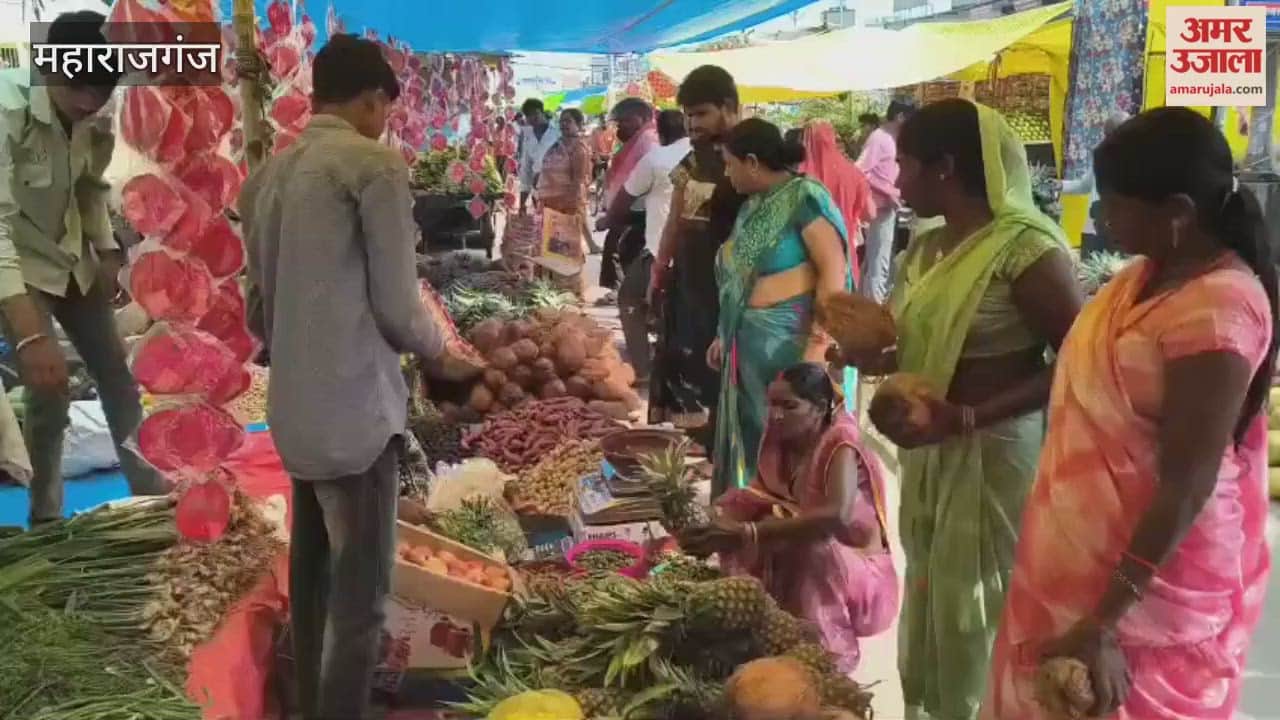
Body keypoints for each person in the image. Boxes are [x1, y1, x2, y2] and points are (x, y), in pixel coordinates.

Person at [984, 108, 1277, 720]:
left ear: (1177, 213)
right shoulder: (1143, 277)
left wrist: (1104, 619)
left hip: (1144, 595)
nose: (1101, 217)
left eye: (1114, 203)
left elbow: (1188, 481)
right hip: (1073, 568)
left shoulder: (1220, 310)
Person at [239, 34, 479, 719]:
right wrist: (445, 354)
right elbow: (400, 308)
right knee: (361, 600)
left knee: (313, 579)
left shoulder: (267, 178)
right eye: (385, 109)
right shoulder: (371, 165)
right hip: (357, 416)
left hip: (295, 413)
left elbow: (259, 311)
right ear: (373, 100)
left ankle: (310, 703)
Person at [837, 98, 1083, 720]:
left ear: (945, 168)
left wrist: (968, 418)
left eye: (908, 164)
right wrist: (875, 357)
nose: (897, 180)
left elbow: (1080, 363)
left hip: (997, 455)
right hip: (931, 450)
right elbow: (921, 347)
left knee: (984, 607)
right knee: (938, 598)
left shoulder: (1025, 251)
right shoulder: (925, 250)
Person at [0, 11, 168, 524]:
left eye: (101, 90)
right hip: (20, 262)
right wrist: (31, 337)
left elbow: (90, 190)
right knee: (47, 387)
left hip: (72, 258)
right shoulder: (7, 108)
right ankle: (46, 517)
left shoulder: (93, 110)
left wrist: (109, 254)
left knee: (118, 374)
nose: (88, 102)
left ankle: (151, 492)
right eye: (78, 87)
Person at [682, 363, 898, 673]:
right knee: (734, 508)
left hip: (860, 569)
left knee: (808, 548)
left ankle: (826, 659)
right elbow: (762, 493)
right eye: (771, 404)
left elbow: (836, 515)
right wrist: (719, 518)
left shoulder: (840, 441)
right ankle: (765, 626)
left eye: (789, 406)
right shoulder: (782, 437)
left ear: (820, 408)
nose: (776, 414)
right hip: (823, 548)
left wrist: (750, 532)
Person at [707, 119, 853, 493]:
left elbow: (833, 268)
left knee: (789, 448)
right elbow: (739, 277)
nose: (727, 173)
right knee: (755, 440)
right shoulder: (752, 207)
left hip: (791, 349)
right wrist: (724, 333)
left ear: (752, 161)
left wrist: (818, 348)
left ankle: (786, 535)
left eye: (729, 163)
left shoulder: (804, 197)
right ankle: (751, 533)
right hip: (750, 353)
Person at [649, 65, 746, 449]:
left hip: (734, 281)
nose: (692, 123)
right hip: (691, 278)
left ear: (728, 107)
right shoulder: (691, 161)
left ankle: (729, 441)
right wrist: (660, 269)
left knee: (730, 363)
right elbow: (674, 219)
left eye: (701, 113)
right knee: (695, 360)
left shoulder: (751, 152)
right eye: (687, 115)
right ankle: (709, 437)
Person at [606, 109, 689, 382]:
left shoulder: (655, 158)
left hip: (659, 248)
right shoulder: (708, 156)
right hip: (700, 252)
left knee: (629, 297)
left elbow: (620, 204)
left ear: (660, 133)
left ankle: (643, 370)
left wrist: (610, 219)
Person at [799, 120, 875, 280]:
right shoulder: (852, 173)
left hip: (805, 262)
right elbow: (871, 213)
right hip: (844, 257)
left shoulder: (797, 177)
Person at [597, 98, 658, 294]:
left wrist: (612, 216)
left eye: (625, 121)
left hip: (637, 214)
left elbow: (638, 185)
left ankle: (625, 297)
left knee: (623, 255)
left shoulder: (648, 142)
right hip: (627, 212)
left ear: (640, 119)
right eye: (618, 123)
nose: (620, 127)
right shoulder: (637, 141)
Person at [855, 100, 912, 304]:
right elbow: (860, 170)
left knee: (874, 261)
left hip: (886, 206)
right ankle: (875, 309)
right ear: (900, 117)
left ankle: (864, 305)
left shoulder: (888, 138)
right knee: (880, 262)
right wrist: (888, 191)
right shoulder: (880, 138)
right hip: (880, 207)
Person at [1061, 110, 1130, 260]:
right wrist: (1059, 186)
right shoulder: (1101, 158)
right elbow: (1084, 186)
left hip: (1116, 232)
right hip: (1095, 230)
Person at [537, 108, 593, 254]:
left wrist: (569, 205)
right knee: (550, 249)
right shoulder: (558, 144)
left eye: (568, 121)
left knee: (565, 252)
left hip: (566, 204)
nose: (563, 124)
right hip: (550, 203)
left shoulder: (579, 149)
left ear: (579, 125)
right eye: (561, 121)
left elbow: (577, 180)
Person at [517, 98, 559, 215]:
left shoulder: (557, 132)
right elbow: (526, 169)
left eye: (536, 113)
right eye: (529, 115)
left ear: (542, 112)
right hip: (538, 192)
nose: (533, 118)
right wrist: (522, 204)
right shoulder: (527, 136)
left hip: (558, 189)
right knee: (541, 227)